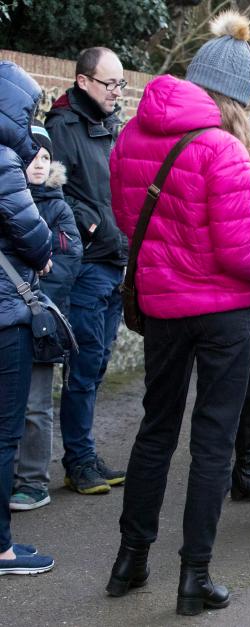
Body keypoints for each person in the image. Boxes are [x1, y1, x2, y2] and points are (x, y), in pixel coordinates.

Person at [106, 12, 250, 615]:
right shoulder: (225, 150)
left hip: (161, 308)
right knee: (212, 443)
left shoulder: (131, 136)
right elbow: (241, 253)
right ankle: (194, 578)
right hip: (224, 318)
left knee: (155, 431)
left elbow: (126, 223)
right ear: (240, 97)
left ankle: (130, 561)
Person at [44, 46, 127, 495]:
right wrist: (90, 224)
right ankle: (78, 461)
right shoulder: (63, 126)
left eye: (120, 84)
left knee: (96, 366)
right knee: (84, 364)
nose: (117, 91)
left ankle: (86, 454)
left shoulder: (108, 125)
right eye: (110, 83)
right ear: (83, 82)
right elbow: (49, 188)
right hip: (88, 266)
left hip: (115, 262)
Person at [0, 60, 55, 575]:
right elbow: (34, 234)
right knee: (3, 433)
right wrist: (43, 252)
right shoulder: (4, 160)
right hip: (5, 314)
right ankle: (2, 549)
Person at [10, 123, 82, 511]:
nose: (39, 164)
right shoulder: (10, 201)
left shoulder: (58, 207)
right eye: (31, 156)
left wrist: (35, 291)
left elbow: (66, 263)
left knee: (36, 406)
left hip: (40, 321)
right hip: (9, 318)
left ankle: (34, 481)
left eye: (45, 157)